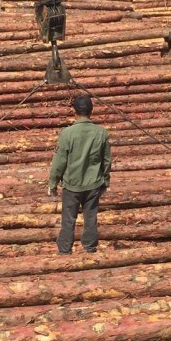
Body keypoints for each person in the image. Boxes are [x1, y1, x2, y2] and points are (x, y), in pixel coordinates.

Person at [48, 95, 112, 255]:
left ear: (74, 111)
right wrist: (105, 181)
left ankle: (64, 251)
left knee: (68, 220)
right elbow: (107, 161)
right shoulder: (101, 133)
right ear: (91, 111)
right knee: (91, 219)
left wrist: (52, 182)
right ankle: (90, 249)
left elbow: (59, 161)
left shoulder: (67, 134)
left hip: (72, 186)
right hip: (94, 184)